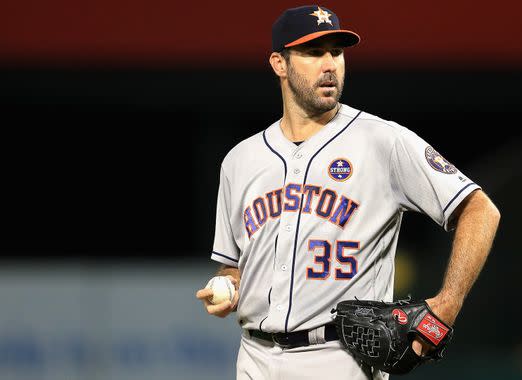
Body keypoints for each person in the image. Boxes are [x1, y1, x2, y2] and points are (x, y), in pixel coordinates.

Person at [195, 5, 500, 380]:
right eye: (312, 52)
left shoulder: (381, 141)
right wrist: (229, 284)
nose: (329, 64)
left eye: (336, 52)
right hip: (254, 359)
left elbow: (480, 210)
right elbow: (236, 264)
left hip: (341, 360)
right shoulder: (240, 160)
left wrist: (446, 307)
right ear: (279, 63)